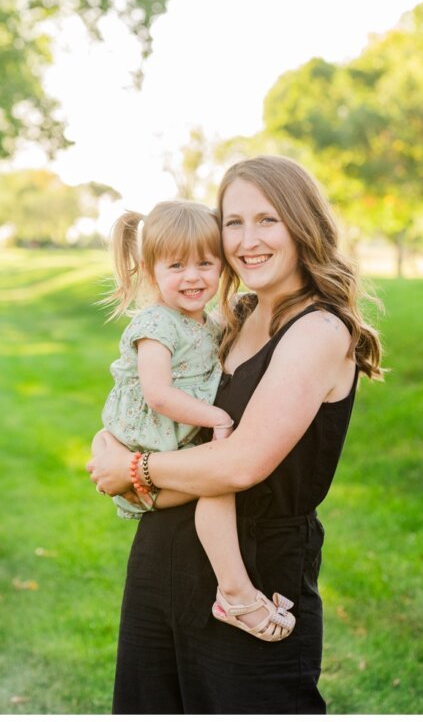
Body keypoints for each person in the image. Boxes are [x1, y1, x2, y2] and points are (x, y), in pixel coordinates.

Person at [86, 155, 383, 714]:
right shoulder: (231, 316)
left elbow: (239, 466)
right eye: (234, 222)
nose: (248, 240)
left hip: (254, 568)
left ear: (302, 224)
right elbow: (167, 415)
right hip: (163, 556)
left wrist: (131, 472)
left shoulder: (317, 329)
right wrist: (116, 443)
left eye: (267, 220)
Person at [95, 200, 294, 643]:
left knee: (215, 484)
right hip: (151, 443)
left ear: (222, 267)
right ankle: (237, 595)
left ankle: (234, 592)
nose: (193, 277)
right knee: (218, 485)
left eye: (206, 264)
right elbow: (158, 393)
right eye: (177, 265)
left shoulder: (208, 321)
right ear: (151, 272)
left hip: (166, 450)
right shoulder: (156, 326)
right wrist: (216, 418)